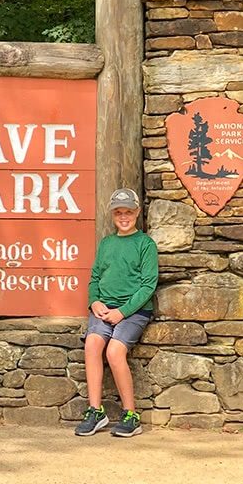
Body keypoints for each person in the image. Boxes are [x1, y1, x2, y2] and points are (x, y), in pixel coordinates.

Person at [75, 187, 158, 438]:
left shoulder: (145, 244)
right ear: (112, 215)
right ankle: (95, 411)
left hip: (133, 311)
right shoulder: (107, 243)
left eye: (129, 212)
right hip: (105, 309)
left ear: (137, 213)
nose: (124, 217)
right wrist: (95, 302)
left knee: (114, 351)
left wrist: (122, 312)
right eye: (119, 212)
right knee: (92, 344)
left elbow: (148, 285)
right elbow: (95, 278)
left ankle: (130, 414)